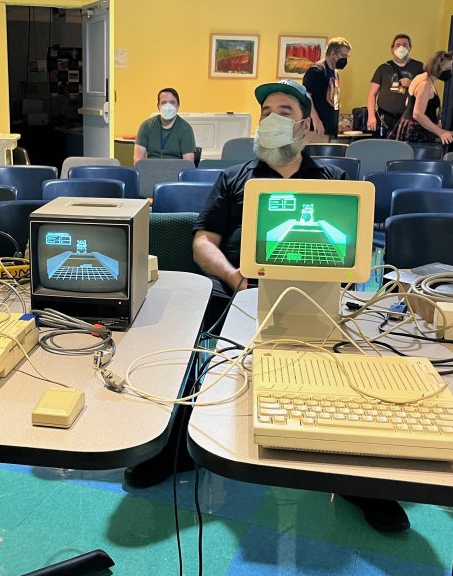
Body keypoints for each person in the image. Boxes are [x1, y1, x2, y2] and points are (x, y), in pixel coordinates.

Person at [127, 78, 411, 534]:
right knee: (202, 350)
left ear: (303, 125)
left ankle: (361, 480)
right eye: (266, 113)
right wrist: (235, 278)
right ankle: (179, 446)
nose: (273, 120)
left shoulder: (334, 181)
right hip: (240, 287)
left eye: (284, 112)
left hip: (316, 291)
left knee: (347, 364)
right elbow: (204, 240)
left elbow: (355, 248)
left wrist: (332, 277)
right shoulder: (233, 178)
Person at [391, 50, 453, 145]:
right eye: (447, 68)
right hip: (416, 131)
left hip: (410, 125)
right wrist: (440, 132)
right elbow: (417, 114)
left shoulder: (421, 77)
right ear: (438, 68)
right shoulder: (425, 85)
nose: (450, 70)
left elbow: (408, 102)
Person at [367, 34, 424, 136]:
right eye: (398, 45)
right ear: (392, 48)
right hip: (384, 117)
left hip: (408, 118)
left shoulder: (419, 67)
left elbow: (427, 92)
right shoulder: (383, 68)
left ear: (410, 47)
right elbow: (372, 93)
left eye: (405, 45)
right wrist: (371, 116)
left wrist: (412, 84)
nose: (401, 48)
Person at [302, 37, 352, 137]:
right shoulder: (316, 71)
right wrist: (316, 120)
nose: (345, 59)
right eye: (343, 55)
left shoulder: (335, 73)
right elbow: (306, 96)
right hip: (315, 127)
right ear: (333, 54)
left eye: (347, 56)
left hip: (330, 127)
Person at [133, 88, 197, 163]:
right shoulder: (146, 126)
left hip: (175, 172)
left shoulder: (186, 129)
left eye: (172, 102)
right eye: (164, 103)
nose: (168, 107)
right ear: (158, 106)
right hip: (151, 171)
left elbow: (188, 164)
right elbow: (137, 160)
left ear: (178, 106)